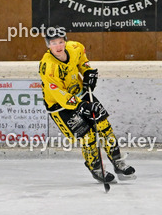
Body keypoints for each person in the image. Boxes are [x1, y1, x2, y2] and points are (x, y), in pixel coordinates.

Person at [39, 28, 135, 185]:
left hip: (81, 94)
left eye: (61, 41)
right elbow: (59, 94)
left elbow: (82, 61)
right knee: (88, 136)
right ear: (48, 45)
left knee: (104, 126)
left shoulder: (75, 47)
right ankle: (96, 168)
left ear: (65, 41)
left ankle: (118, 161)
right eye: (53, 43)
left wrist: (88, 72)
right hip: (60, 106)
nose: (58, 46)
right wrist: (80, 105)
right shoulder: (48, 67)